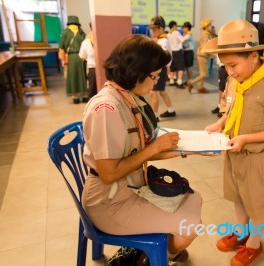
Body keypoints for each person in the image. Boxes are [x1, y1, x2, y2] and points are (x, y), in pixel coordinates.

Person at [82, 35, 203, 264]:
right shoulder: (106, 109)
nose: (156, 83)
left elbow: (139, 152)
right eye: (154, 77)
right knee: (191, 224)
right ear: (137, 72)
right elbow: (109, 174)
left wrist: (192, 149)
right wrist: (154, 148)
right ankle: (155, 255)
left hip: (130, 185)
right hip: (110, 202)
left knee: (193, 198)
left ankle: (157, 251)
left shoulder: (128, 97)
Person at [204, 19, 264, 266]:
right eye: (225, 66)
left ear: (253, 56)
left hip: (259, 157)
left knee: (258, 205)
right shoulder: (237, 79)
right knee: (239, 197)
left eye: (233, 65)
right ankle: (241, 232)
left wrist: (244, 138)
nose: (229, 71)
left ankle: (254, 244)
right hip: (236, 153)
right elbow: (232, 108)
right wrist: (221, 123)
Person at [149, 16, 176, 120]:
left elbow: (163, 58)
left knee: (153, 92)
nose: (153, 31)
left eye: (155, 29)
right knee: (161, 91)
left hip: (159, 70)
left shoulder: (163, 41)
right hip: (159, 69)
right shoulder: (160, 40)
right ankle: (171, 110)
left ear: (161, 28)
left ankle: (154, 116)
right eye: (152, 29)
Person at [58, 15, 87, 104]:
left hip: (71, 58)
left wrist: (63, 60)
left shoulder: (66, 32)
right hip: (82, 57)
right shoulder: (82, 32)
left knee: (73, 77)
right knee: (83, 76)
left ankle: (75, 97)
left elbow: (61, 48)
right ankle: (84, 95)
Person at [186, 18, 214, 94]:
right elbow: (206, 46)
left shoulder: (206, 33)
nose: (211, 26)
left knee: (202, 73)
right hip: (203, 56)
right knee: (203, 74)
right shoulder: (205, 34)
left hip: (202, 55)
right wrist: (213, 54)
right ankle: (191, 83)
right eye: (210, 25)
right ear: (207, 26)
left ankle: (200, 87)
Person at [79, 23, 97, 99]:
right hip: (106, 68)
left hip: (92, 69)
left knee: (92, 91)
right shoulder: (105, 38)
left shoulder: (86, 42)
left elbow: (82, 56)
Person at [167, 20, 186, 88]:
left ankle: (171, 81)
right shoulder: (176, 32)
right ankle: (179, 82)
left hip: (171, 52)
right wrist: (187, 36)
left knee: (173, 66)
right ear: (174, 26)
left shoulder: (168, 34)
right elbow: (183, 40)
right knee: (180, 66)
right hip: (177, 51)